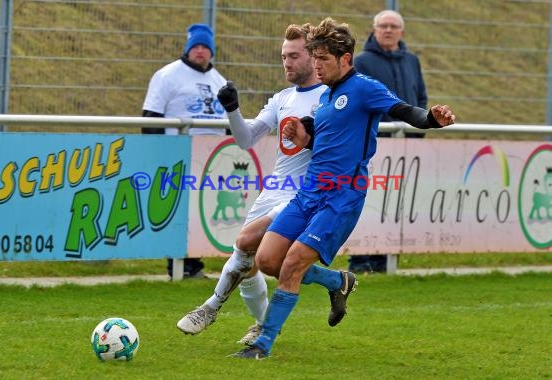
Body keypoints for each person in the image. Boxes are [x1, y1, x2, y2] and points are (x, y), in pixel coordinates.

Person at [231, 17, 455, 359]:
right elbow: (323, 139)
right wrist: (302, 135)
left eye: (322, 60)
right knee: (267, 259)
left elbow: (403, 110)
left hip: (341, 196)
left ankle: (262, 346)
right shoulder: (327, 96)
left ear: (345, 59)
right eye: (314, 58)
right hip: (309, 192)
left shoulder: (365, 88)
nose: (316, 66)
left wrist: (431, 120)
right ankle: (338, 282)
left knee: (291, 266)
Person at [176, 23, 358, 345]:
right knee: (253, 265)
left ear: (313, 56)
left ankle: (210, 308)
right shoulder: (282, 99)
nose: (286, 63)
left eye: (294, 56)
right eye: (283, 56)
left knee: (246, 242)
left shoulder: (331, 98)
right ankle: (323, 287)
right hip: (273, 190)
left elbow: (340, 147)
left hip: (304, 193)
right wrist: (232, 109)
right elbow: (246, 138)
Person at [141, 23, 228, 279]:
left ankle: (193, 265)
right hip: (178, 155)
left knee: (199, 212)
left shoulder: (219, 81)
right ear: (188, 49)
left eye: (205, 47)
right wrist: (158, 154)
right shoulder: (168, 75)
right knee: (178, 210)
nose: (200, 52)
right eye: (196, 47)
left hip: (211, 158)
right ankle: (178, 266)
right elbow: (151, 116)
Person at [350, 9, 428, 273]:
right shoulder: (362, 62)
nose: (388, 30)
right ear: (374, 30)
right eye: (383, 25)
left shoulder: (412, 61)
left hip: (407, 146)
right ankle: (361, 259)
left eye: (393, 26)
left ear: (402, 32)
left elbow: (421, 98)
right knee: (370, 201)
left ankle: (385, 260)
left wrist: (418, 132)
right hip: (376, 145)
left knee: (395, 202)